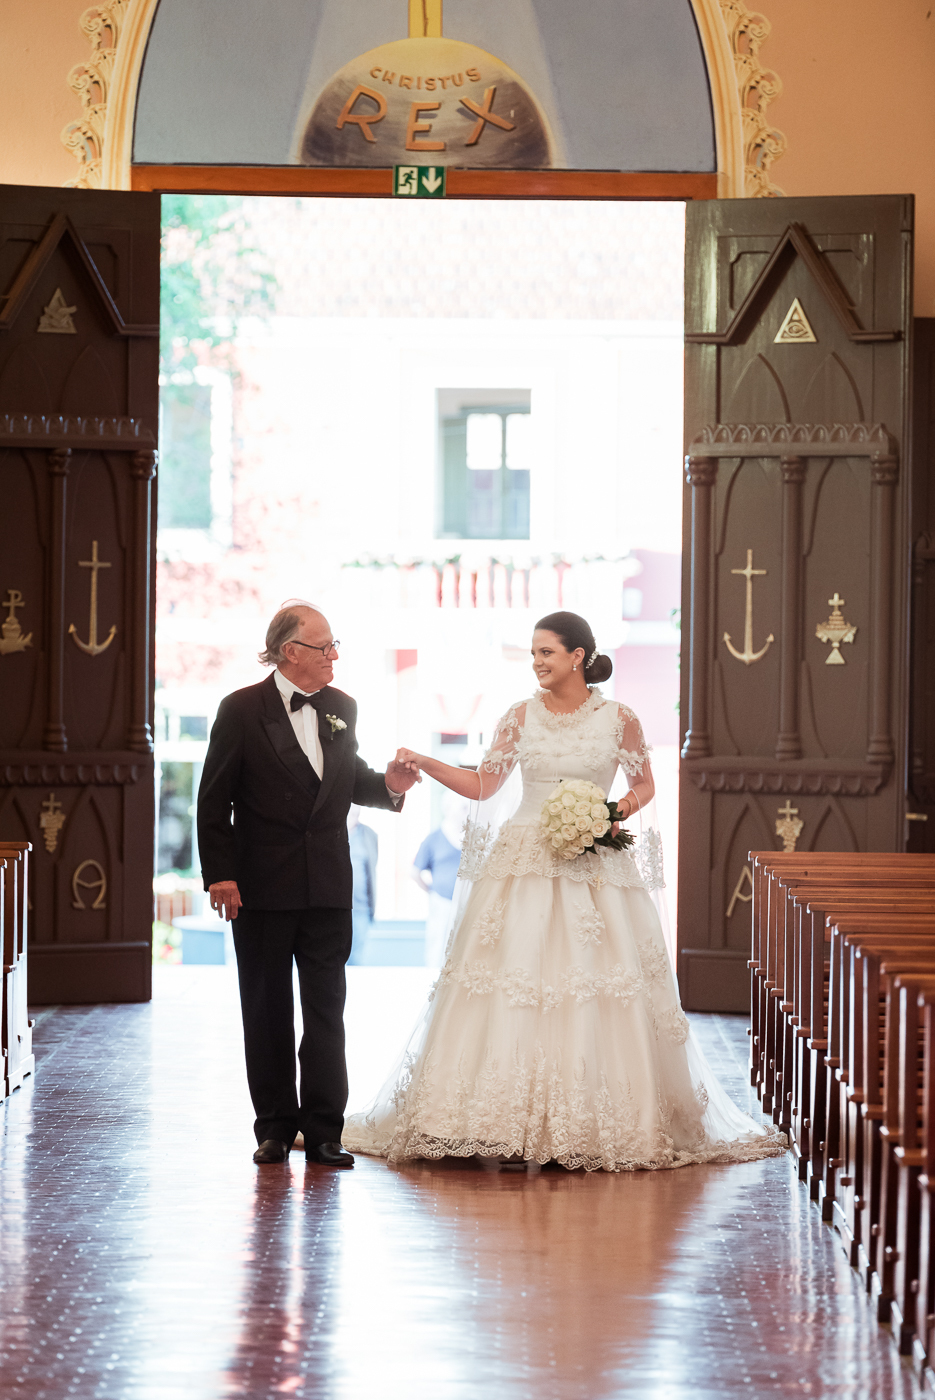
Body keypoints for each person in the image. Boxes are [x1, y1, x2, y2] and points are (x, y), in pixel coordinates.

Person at [343, 610, 785, 1172]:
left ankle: (591, 1120)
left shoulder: (618, 718)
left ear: (577, 656)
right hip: (523, 861)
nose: (536, 663)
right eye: (532, 654)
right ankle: (487, 1121)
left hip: (594, 866)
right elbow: (484, 786)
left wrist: (608, 814)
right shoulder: (517, 717)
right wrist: (427, 763)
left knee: (595, 984)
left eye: (545, 652)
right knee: (513, 982)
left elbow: (645, 783)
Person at [197, 602, 419, 1169]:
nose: (335, 657)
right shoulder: (241, 709)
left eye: (335, 646)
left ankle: (324, 1131)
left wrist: (388, 787)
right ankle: (273, 1127)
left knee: (327, 1011)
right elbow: (213, 798)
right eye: (325, 647)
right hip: (260, 888)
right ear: (290, 651)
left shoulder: (343, 707)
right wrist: (220, 874)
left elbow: (346, 780)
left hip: (327, 886)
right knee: (267, 1009)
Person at [410, 793, 470, 965]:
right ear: (449, 810)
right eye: (463, 808)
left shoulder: (473, 838)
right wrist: (431, 891)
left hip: (468, 903)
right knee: (438, 949)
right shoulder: (434, 838)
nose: (468, 813)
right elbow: (415, 872)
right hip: (442, 903)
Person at [347, 805, 378, 965]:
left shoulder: (368, 835)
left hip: (361, 909)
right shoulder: (330, 833)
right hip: (336, 909)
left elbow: (372, 867)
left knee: (357, 960)